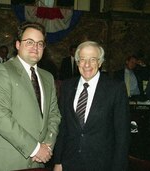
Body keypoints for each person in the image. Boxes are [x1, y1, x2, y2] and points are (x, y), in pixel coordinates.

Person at [0, 21, 61, 171]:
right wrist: (35, 148)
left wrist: (47, 145)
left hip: (39, 161)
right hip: (9, 160)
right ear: (17, 45)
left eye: (40, 44)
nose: (35, 47)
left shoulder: (48, 77)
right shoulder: (2, 70)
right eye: (30, 42)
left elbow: (54, 115)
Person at [53, 41, 130, 171]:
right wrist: (58, 161)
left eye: (92, 59)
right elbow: (63, 127)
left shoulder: (115, 88)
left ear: (100, 63)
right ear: (77, 62)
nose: (87, 65)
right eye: (82, 59)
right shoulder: (67, 87)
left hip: (102, 164)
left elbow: (122, 135)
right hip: (69, 162)